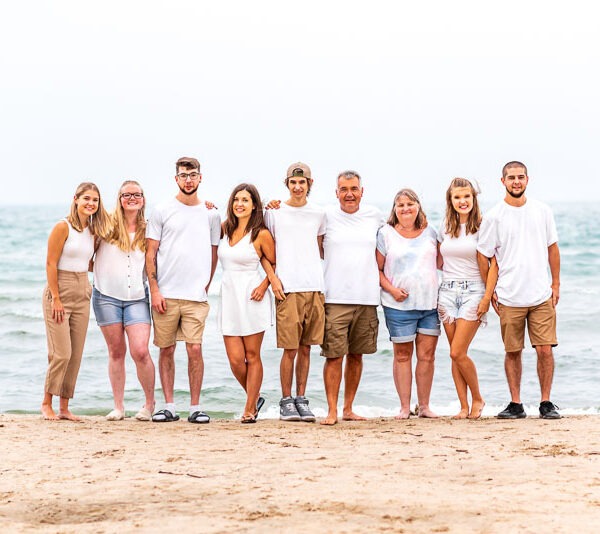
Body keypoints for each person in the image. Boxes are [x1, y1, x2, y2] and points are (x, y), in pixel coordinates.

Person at [477, 161, 561, 419]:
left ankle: (546, 402)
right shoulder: (494, 216)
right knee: (513, 351)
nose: (516, 181)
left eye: (520, 177)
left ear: (528, 179)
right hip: (509, 295)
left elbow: (552, 249)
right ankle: (516, 403)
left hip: (540, 295)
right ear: (502, 181)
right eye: (511, 177)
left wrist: (555, 283)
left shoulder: (542, 211)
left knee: (544, 349)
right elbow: (484, 256)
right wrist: (489, 290)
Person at [146, 157, 221, 423]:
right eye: (183, 175)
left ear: (201, 178)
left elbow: (214, 253)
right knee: (166, 349)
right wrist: (154, 289)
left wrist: (206, 284)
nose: (188, 180)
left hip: (195, 298)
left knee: (194, 350)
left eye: (193, 175)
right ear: (176, 179)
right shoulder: (162, 210)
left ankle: (195, 407)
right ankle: (168, 406)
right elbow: (150, 252)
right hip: (165, 293)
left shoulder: (211, 213)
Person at [41, 182, 111, 421]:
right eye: (86, 199)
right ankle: (46, 403)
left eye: (95, 200)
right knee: (61, 353)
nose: (91, 203)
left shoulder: (93, 231)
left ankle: (64, 407)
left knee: (76, 354)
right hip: (60, 289)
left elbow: (88, 262)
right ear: (76, 199)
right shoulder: (63, 227)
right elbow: (51, 263)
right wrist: (56, 298)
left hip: (83, 290)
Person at [264, 162, 326, 422]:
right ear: (287, 184)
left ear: (310, 184)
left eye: (302, 182)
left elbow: (321, 248)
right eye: (293, 182)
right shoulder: (274, 212)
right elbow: (263, 251)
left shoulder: (320, 213)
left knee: (307, 348)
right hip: (288, 288)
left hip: (314, 286)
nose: (298, 187)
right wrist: (273, 280)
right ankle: (286, 400)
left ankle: (302, 398)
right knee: (289, 349)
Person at [320, 170, 383, 425]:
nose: (349, 194)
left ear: (362, 191)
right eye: (344, 189)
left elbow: (401, 228)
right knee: (334, 355)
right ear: (336, 192)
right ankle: (332, 410)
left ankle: (348, 408)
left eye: (353, 189)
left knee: (357, 355)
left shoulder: (374, 215)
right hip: (335, 297)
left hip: (366, 297)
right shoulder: (325, 216)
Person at [93, 180, 156, 422]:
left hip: (137, 298)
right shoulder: (105, 226)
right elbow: (85, 249)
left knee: (140, 351)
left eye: (137, 194)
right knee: (116, 351)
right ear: (119, 199)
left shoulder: (149, 228)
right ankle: (118, 407)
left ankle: (149, 404)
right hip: (106, 296)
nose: (132, 198)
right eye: (127, 195)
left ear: (143, 199)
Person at [376, 189, 440, 419]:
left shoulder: (431, 232)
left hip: (429, 304)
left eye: (410, 204)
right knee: (402, 355)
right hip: (397, 305)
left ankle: (424, 407)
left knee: (427, 356)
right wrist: (392, 290)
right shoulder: (385, 233)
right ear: (394, 209)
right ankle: (404, 407)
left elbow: (444, 262)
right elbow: (377, 270)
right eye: (400, 205)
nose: (405, 209)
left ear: (418, 206)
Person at [437, 178, 497, 419]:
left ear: (474, 199)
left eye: (466, 197)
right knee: (454, 352)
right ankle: (463, 405)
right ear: (450, 201)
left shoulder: (484, 226)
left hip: (474, 291)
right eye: (457, 197)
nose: (462, 201)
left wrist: (487, 297)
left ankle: (478, 398)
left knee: (457, 352)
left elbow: (494, 266)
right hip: (447, 293)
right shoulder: (445, 227)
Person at [218, 183, 278, 423]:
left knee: (252, 355)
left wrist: (264, 286)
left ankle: (250, 408)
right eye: (236, 200)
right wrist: (208, 207)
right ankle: (255, 397)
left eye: (245, 200)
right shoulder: (224, 228)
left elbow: (273, 263)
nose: (239, 204)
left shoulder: (261, 233)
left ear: (254, 205)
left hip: (253, 296)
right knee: (235, 359)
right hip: (229, 296)